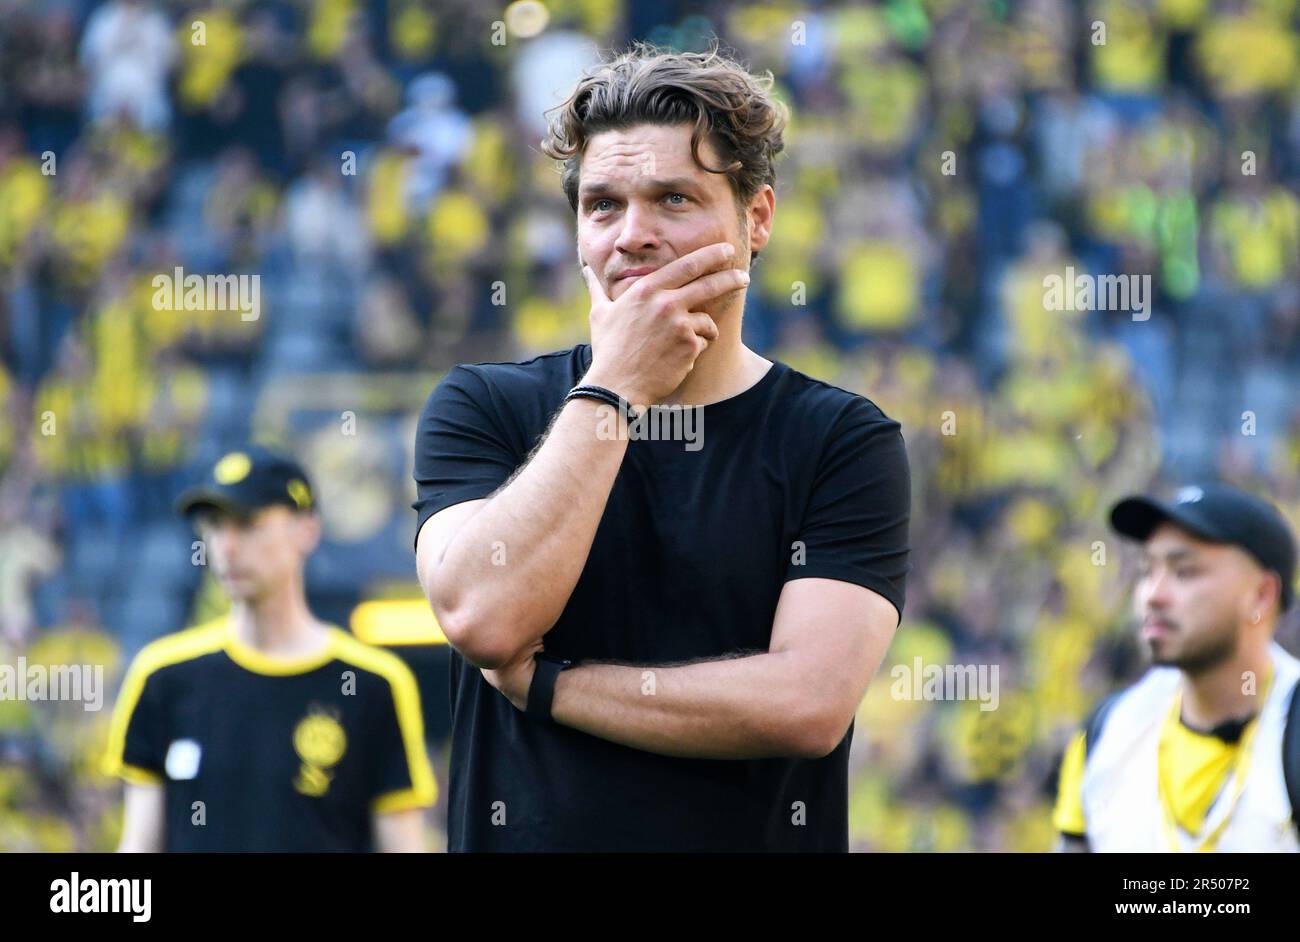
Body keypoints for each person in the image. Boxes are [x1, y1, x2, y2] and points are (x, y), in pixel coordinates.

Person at [413, 44, 911, 852]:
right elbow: (484, 617)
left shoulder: (841, 440)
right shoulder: (483, 406)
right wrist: (616, 391)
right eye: (603, 205)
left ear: (758, 220)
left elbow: (808, 703)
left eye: (674, 199)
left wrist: (547, 689)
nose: (633, 235)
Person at [103, 445, 436, 851]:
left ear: (306, 530)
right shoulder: (162, 677)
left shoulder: (373, 684)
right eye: (213, 524)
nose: (225, 546)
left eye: (247, 523)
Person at [1055, 483, 1300, 852]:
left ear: (1261, 594)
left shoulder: (1290, 730)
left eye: (1184, 572)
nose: (1154, 594)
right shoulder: (1106, 732)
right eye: (1145, 570)